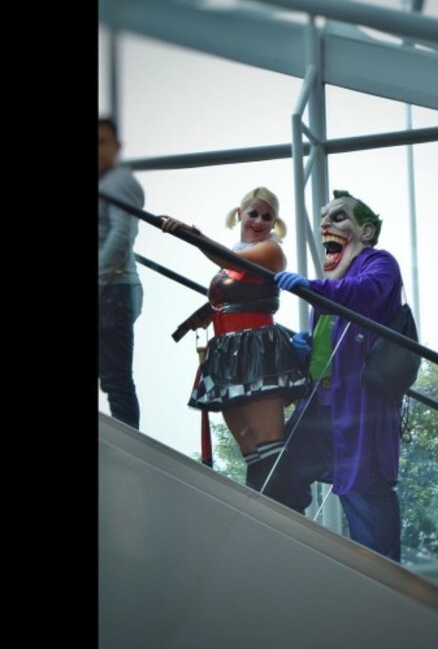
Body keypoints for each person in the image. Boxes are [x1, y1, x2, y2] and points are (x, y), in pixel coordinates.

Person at [274, 190, 405, 562]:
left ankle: (384, 587)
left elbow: (364, 294)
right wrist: (304, 349)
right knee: (283, 472)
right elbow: (329, 347)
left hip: (358, 407)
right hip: (322, 406)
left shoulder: (379, 264)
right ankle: (290, 556)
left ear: (366, 231)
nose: (325, 224)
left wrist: (310, 287)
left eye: (338, 217)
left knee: (363, 488)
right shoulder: (332, 285)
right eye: (323, 219)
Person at [161, 187, 308, 499]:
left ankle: (288, 521)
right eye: (253, 213)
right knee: (251, 450)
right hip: (228, 352)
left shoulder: (271, 251)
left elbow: (234, 263)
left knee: (268, 447)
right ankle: (262, 520)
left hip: (257, 350)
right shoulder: (234, 257)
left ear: (274, 223)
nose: (258, 220)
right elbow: (232, 289)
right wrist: (198, 319)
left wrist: (191, 234)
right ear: (239, 214)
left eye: (267, 216)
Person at [98, 117, 145, 430]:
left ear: (116, 146)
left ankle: (131, 455)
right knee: (114, 378)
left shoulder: (118, 182)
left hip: (112, 288)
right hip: (109, 287)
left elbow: (121, 236)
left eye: (102, 142)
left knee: (115, 378)